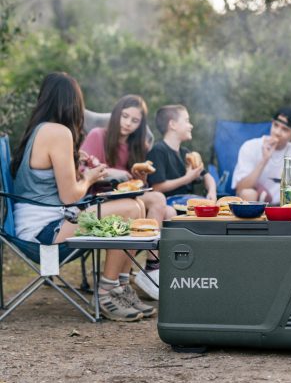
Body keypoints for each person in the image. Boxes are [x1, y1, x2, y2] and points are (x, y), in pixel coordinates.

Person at [11, 72, 153, 321]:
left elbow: (54, 185)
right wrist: (90, 178)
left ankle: (120, 287)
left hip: (45, 222)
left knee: (138, 205)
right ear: (72, 102)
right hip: (44, 231)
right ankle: (107, 293)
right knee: (130, 209)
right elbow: (69, 196)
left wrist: (77, 164)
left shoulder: (42, 130)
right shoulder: (58, 133)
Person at [80, 94, 175, 302]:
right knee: (158, 200)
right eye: (124, 116)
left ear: (140, 125)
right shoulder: (98, 135)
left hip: (130, 199)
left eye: (134, 120)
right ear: (116, 115)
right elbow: (81, 170)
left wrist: (140, 178)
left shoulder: (137, 145)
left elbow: (139, 186)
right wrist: (114, 173)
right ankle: (150, 270)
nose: (128, 123)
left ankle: (135, 275)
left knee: (168, 211)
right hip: (99, 200)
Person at [146, 104, 217, 204]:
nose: (191, 126)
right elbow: (157, 187)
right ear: (173, 124)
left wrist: (212, 191)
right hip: (169, 204)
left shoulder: (186, 153)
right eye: (187, 121)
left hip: (188, 202)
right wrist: (187, 179)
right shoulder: (158, 151)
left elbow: (206, 176)